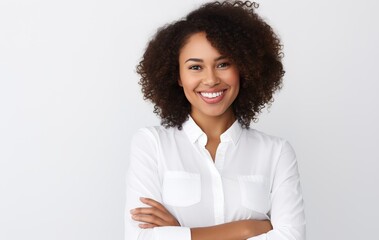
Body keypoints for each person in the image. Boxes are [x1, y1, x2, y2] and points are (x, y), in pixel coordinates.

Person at [124, 1, 306, 240]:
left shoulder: (276, 152)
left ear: (243, 68)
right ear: (177, 76)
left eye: (222, 64)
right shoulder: (152, 145)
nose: (210, 80)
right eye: (195, 67)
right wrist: (247, 229)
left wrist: (179, 233)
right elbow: (140, 238)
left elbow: (291, 237)